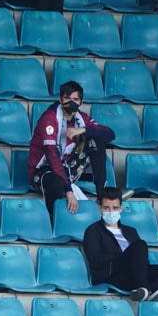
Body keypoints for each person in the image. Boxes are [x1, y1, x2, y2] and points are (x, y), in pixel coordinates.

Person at [82, 187, 158, 302]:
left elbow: (142, 260)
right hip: (113, 276)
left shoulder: (130, 231)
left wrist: (132, 257)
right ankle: (143, 288)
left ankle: (147, 291)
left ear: (121, 209)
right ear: (100, 209)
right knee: (139, 245)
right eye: (106, 208)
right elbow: (95, 259)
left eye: (115, 208)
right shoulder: (93, 231)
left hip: (136, 274)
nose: (111, 212)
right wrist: (124, 255)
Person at [28, 80, 116, 216]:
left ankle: (102, 195)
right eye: (67, 98)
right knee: (57, 183)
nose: (71, 102)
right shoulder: (49, 118)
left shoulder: (81, 118)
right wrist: (68, 190)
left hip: (68, 167)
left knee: (96, 140)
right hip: (44, 172)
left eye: (75, 99)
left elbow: (110, 134)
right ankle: (53, 218)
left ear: (81, 102)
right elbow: (52, 156)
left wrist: (82, 130)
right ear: (60, 99)